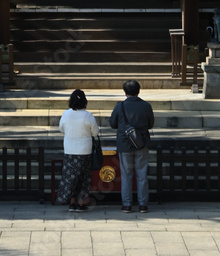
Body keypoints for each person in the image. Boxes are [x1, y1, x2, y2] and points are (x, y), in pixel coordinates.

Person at [109, 79, 154, 213]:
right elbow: (150, 124)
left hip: (125, 143)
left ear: (125, 92)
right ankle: (143, 204)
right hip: (142, 143)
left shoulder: (120, 106)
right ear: (138, 91)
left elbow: (113, 124)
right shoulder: (146, 106)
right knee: (142, 174)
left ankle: (127, 204)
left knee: (126, 175)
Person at [58, 88, 100, 212]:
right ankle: (81, 202)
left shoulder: (66, 114)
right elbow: (95, 132)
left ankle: (71, 202)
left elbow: (61, 129)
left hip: (70, 150)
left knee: (70, 177)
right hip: (84, 151)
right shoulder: (88, 116)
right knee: (83, 177)